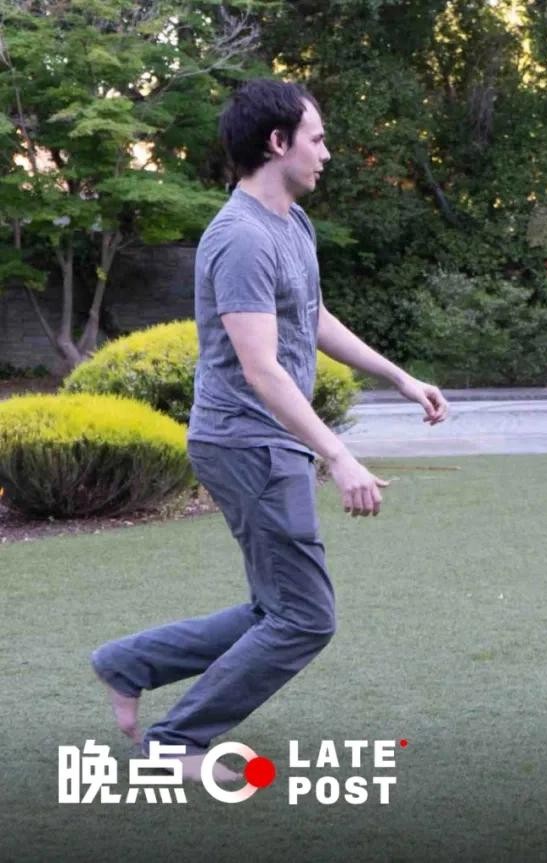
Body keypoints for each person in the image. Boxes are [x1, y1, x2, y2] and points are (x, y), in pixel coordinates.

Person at [91, 78, 448, 782]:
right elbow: (261, 368)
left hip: (267, 442)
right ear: (278, 142)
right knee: (305, 617)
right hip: (245, 443)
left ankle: (130, 662)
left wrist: (399, 377)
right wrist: (338, 455)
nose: (327, 153)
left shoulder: (292, 224)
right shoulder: (240, 238)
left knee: (275, 607)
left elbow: (312, 318)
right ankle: (173, 743)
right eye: (317, 139)